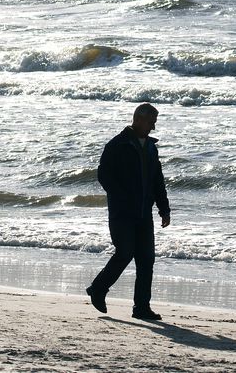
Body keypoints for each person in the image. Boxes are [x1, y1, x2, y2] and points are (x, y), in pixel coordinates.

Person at [86, 103, 171, 320]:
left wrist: (164, 208)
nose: (153, 127)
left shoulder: (151, 148)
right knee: (125, 253)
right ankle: (98, 289)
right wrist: (121, 197)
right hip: (122, 212)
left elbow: (157, 181)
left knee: (146, 259)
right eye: (151, 122)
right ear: (139, 120)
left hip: (144, 212)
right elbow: (104, 176)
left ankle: (141, 307)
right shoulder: (117, 144)